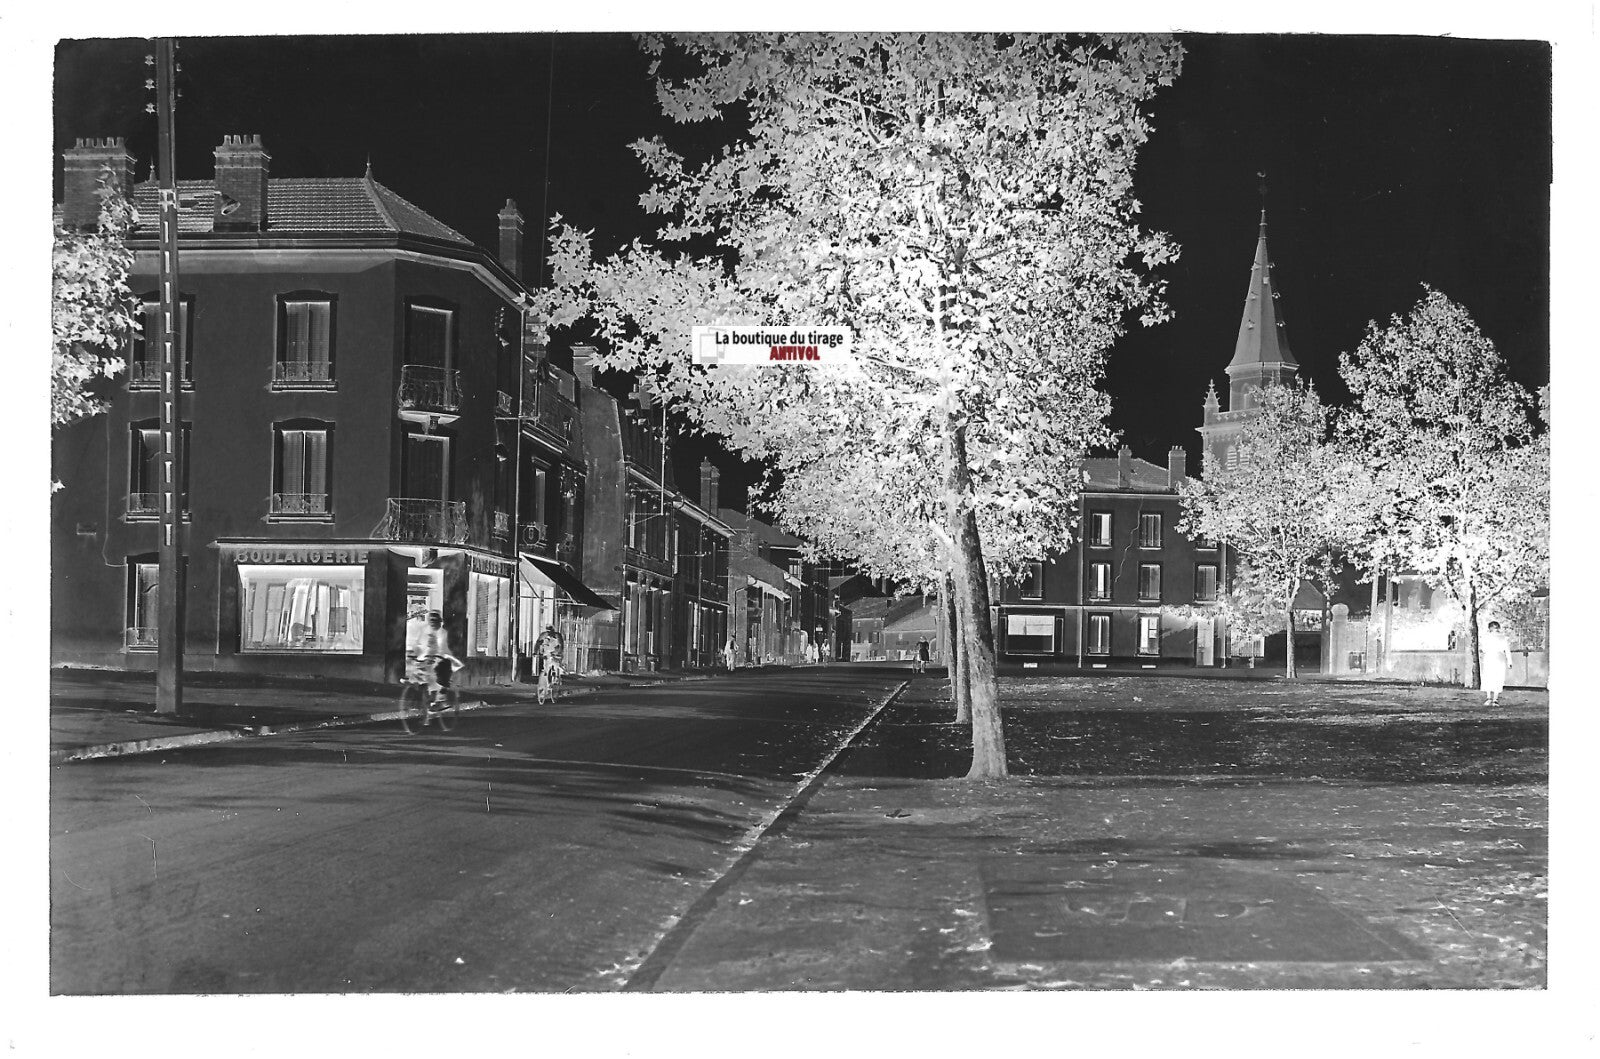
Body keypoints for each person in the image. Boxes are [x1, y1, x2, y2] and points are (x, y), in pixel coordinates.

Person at [412, 610, 461, 701]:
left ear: (439, 621)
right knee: (420, 670)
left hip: (443, 658)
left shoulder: (442, 633)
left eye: (435, 620)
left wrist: (435, 657)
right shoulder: (425, 632)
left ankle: (441, 697)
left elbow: (441, 648)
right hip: (428, 657)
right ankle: (424, 694)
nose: (433, 622)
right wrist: (417, 654)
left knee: (438, 671)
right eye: (431, 620)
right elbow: (420, 645)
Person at [1480, 620, 1511, 706]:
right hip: (1490, 658)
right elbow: (1483, 649)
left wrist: (1509, 661)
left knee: (1498, 678)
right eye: (1494, 628)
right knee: (1489, 678)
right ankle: (1490, 698)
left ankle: (1494, 699)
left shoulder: (1503, 638)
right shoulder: (1486, 637)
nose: (1495, 630)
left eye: (1496, 628)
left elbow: (1507, 650)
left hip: (1497, 658)